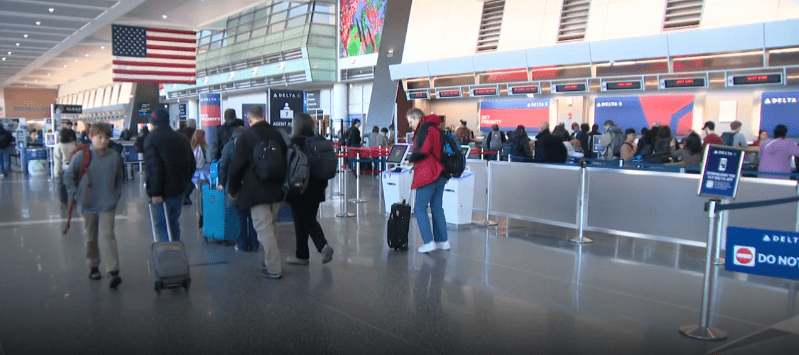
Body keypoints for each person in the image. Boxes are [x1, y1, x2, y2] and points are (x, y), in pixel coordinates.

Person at [227, 105, 288, 279]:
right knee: (272, 227)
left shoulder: (246, 137)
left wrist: (233, 190)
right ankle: (269, 261)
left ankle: (274, 268)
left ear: (249, 119)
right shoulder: (277, 134)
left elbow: (236, 167)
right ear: (264, 115)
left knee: (264, 230)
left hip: (256, 192)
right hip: (277, 189)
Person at [64, 123, 124, 289]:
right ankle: (93, 266)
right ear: (90, 137)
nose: (103, 141)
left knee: (108, 236)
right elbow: (68, 176)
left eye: (106, 137)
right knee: (91, 237)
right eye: (100, 137)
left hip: (107, 203)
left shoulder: (114, 156)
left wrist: (116, 195)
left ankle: (113, 271)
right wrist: (75, 193)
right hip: (87, 203)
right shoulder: (81, 156)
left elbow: (120, 178)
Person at [285, 113, 335, 265]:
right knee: (309, 220)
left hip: (300, 188)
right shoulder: (320, 140)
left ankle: (312, 251)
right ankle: (310, 252)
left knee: (301, 222)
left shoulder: (295, 142)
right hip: (318, 187)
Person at [143, 109, 196, 242]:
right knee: (173, 223)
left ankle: (167, 252)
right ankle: (176, 250)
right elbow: (191, 164)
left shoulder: (151, 139)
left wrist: (155, 192)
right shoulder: (181, 138)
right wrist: (185, 182)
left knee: (162, 226)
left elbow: (154, 169)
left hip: (162, 193)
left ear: (153, 123)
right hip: (179, 190)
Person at [406, 109, 449, 254]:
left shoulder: (424, 129)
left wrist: (411, 158)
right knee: (437, 207)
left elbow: (424, 150)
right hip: (441, 172)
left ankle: (428, 242)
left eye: (410, 122)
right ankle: (443, 241)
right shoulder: (436, 128)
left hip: (428, 174)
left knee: (420, 208)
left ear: (417, 118)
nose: (410, 125)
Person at [218, 126, 259, 252]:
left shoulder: (230, 146)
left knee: (240, 216)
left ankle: (242, 244)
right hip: (252, 184)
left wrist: (222, 183)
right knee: (252, 216)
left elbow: (223, 165)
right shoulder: (254, 144)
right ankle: (254, 244)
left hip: (236, 184)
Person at [53, 128, 80, 207]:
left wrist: (56, 172)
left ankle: (64, 201)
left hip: (64, 169)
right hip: (75, 168)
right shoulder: (77, 145)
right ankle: (74, 201)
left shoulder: (59, 146)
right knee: (75, 185)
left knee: (62, 186)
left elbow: (57, 160)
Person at [187, 130, 209, 204]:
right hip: (199, 171)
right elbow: (200, 161)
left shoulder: (193, 146)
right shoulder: (199, 147)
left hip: (197, 171)